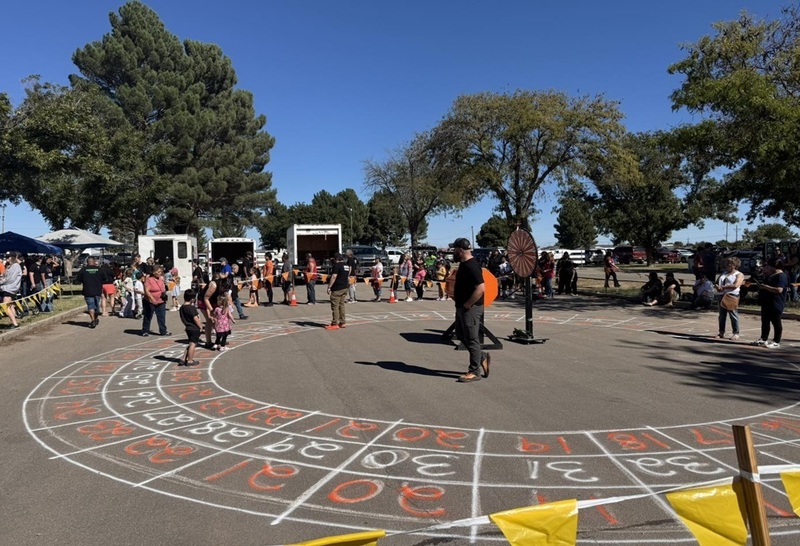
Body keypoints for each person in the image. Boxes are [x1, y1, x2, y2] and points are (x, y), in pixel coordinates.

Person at [451, 237, 490, 383]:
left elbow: (481, 288)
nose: (453, 253)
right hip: (462, 306)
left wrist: (468, 304)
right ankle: (481, 357)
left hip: (471, 308)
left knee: (472, 339)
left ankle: (475, 371)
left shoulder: (471, 265)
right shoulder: (463, 264)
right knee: (461, 335)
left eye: (455, 250)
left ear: (461, 250)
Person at [752, 257, 789, 349]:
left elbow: (779, 290)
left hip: (776, 302)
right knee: (765, 321)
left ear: (774, 266)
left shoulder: (781, 276)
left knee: (776, 321)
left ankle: (776, 341)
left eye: (767, 265)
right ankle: (763, 338)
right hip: (766, 301)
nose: (765, 267)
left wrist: (765, 287)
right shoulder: (770, 275)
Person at [716, 257, 744, 340]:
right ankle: (721, 332)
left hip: (731, 296)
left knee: (733, 314)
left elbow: (736, 285)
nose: (727, 265)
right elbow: (717, 282)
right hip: (721, 295)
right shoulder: (724, 273)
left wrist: (723, 287)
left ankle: (736, 333)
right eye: (727, 263)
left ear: (734, 265)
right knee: (721, 315)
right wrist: (717, 286)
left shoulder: (739, 274)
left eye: (729, 264)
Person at [75, 256, 104, 329]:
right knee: (96, 306)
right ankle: (95, 318)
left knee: (91, 306)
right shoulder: (99, 270)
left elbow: (78, 280)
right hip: (97, 291)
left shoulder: (83, 270)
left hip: (87, 291)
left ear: (87, 262)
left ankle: (93, 320)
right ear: (94, 262)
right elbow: (105, 279)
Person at [141, 265, 170, 337]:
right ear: (153, 272)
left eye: (161, 271)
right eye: (158, 272)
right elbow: (146, 290)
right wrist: (152, 298)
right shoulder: (149, 280)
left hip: (161, 300)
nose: (160, 273)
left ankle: (163, 331)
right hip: (150, 301)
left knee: (161, 316)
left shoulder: (161, 279)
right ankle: (145, 330)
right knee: (148, 316)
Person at [178, 290, 202, 366]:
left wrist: (186, 324)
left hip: (188, 327)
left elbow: (182, 318)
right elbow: (196, 318)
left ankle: (183, 358)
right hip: (194, 328)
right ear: (192, 299)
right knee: (193, 344)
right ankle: (190, 360)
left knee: (190, 343)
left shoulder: (182, 307)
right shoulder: (191, 308)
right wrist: (200, 327)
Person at [326, 253, 350, 329]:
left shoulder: (337, 265)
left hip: (337, 288)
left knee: (335, 306)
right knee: (341, 305)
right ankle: (342, 322)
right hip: (345, 287)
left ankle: (334, 323)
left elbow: (334, 276)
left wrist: (329, 287)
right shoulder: (346, 265)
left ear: (336, 259)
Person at [0, 251, 23, 328]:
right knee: (10, 306)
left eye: (8, 257)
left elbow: (10, 279)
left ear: (12, 257)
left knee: (5, 306)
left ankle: (15, 324)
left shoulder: (16, 266)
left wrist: (1, 281)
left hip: (10, 289)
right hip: (7, 288)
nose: (6, 258)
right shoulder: (10, 266)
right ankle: (14, 322)